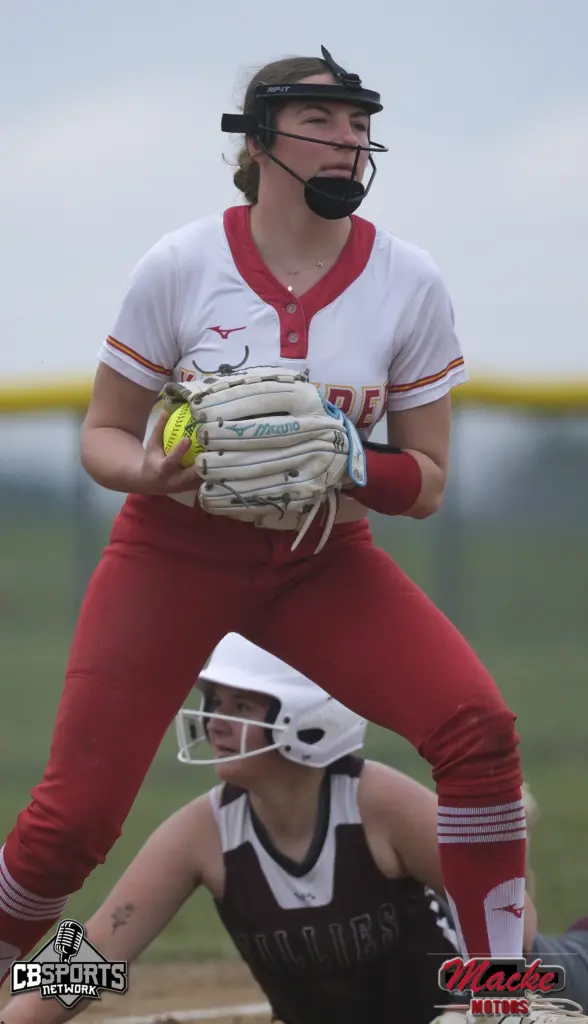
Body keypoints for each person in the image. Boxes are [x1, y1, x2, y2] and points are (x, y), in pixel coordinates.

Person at [0, 44, 528, 991]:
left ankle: (505, 998)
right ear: (257, 141)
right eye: (320, 120)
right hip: (177, 550)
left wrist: (349, 455)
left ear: (311, 728)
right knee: (72, 823)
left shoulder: (382, 814)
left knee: (479, 731)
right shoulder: (204, 835)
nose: (348, 139)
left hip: (320, 555)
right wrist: (149, 470)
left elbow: (428, 482)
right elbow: (109, 938)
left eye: (359, 123)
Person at [2, 633, 572, 1024]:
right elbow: (94, 955)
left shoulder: (377, 802)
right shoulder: (202, 832)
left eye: (240, 707)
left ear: (309, 721)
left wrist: (476, 1003)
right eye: (214, 702)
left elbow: (514, 929)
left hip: (560, 988)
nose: (214, 722)